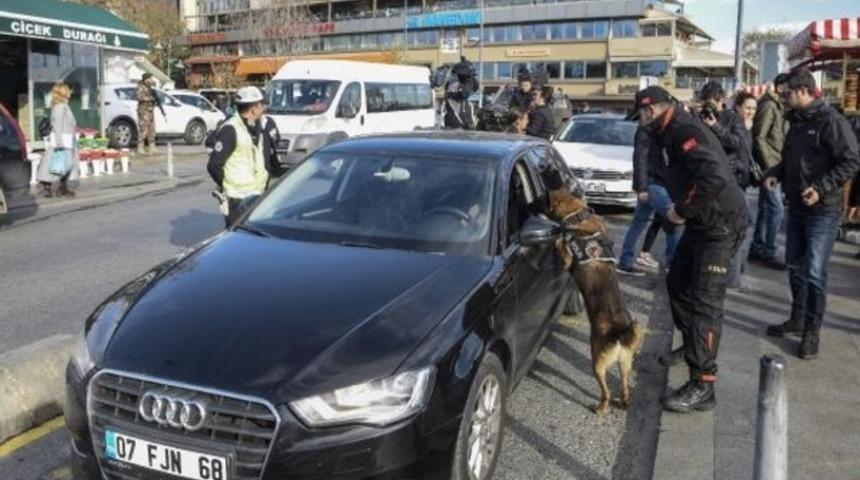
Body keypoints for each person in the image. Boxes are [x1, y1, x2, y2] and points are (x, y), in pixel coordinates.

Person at [633, 86, 747, 412]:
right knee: (678, 283)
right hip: (702, 221)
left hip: (720, 224)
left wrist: (680, 210)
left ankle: (703, 384)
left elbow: (713, 178)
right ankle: (692, 345)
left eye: (642, 115)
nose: (641, 122)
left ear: (653, 110)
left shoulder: (684, 130)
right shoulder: (668, 132)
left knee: (705, 304)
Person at [762, 69, 860, 358]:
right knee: (794, 265)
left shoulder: (831, 121)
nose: (783, 98)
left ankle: (812, 331)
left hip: (823, 210)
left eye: (787, 94)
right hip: (796, 207)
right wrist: (775, 173)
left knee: (815, 272)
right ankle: (798, 319)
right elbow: (791, 159)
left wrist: (821, 187)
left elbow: (851, 162)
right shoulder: (796, 120)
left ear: (804, 91)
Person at [617, 124, 680, 276]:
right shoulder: (646, 130)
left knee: (638, 223)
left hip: (654, 184)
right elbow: (639, 159)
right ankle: (673, 264)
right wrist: (641, 187)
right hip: (653, 184)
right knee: (674, 219)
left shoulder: (659, 130)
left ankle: (625, 261)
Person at [207, 87, 271, 227]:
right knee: (238, 235)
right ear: (254, 109)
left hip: (256, 194)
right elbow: (214, 165)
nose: (264, 109)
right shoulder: (231, 129)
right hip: (237, 199)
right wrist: (228, 186)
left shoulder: (255, 126)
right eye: (262, 105)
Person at [749, 73, 791, 270]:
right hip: (770, 166)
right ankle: (769, 251)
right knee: (776, 209)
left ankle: (758, 247)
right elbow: (759, 137)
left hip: (776, 164)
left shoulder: (780, 106)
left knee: (767, 209)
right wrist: (769, 167)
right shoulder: (769, 106)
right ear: (780, 87)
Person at [725, 90, 759, 290]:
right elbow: (732, 152)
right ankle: (732, 273)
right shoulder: (733, 124)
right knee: (742, 223)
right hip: (734, 181)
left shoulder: (749, 127)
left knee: (742, 225)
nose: (751, 112)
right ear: (738, 107)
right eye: (747, 107)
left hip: (742, 181)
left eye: (754, 108)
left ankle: (734, 268)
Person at [37, 83, 79, 197]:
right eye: (68, 90)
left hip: (67, 139)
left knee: (62, 163)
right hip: (63, 140)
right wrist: (60, 142)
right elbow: (57, 125)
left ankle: (61, 187)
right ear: (63, 92)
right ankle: (47, 184)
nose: (70, 92)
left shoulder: (63, 105)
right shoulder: (60, 107)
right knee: (61, 163)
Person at [136, 73, 158, 155]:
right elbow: (140, 97)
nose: (152, 80)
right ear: (146, 79)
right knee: (143, 129)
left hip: (150, 110)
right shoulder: (141, 87)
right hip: (144, 111)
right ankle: (140, 147)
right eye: (150, 78)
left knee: (152, 128)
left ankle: (152, 147)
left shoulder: (150, 87)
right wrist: (150, 99)